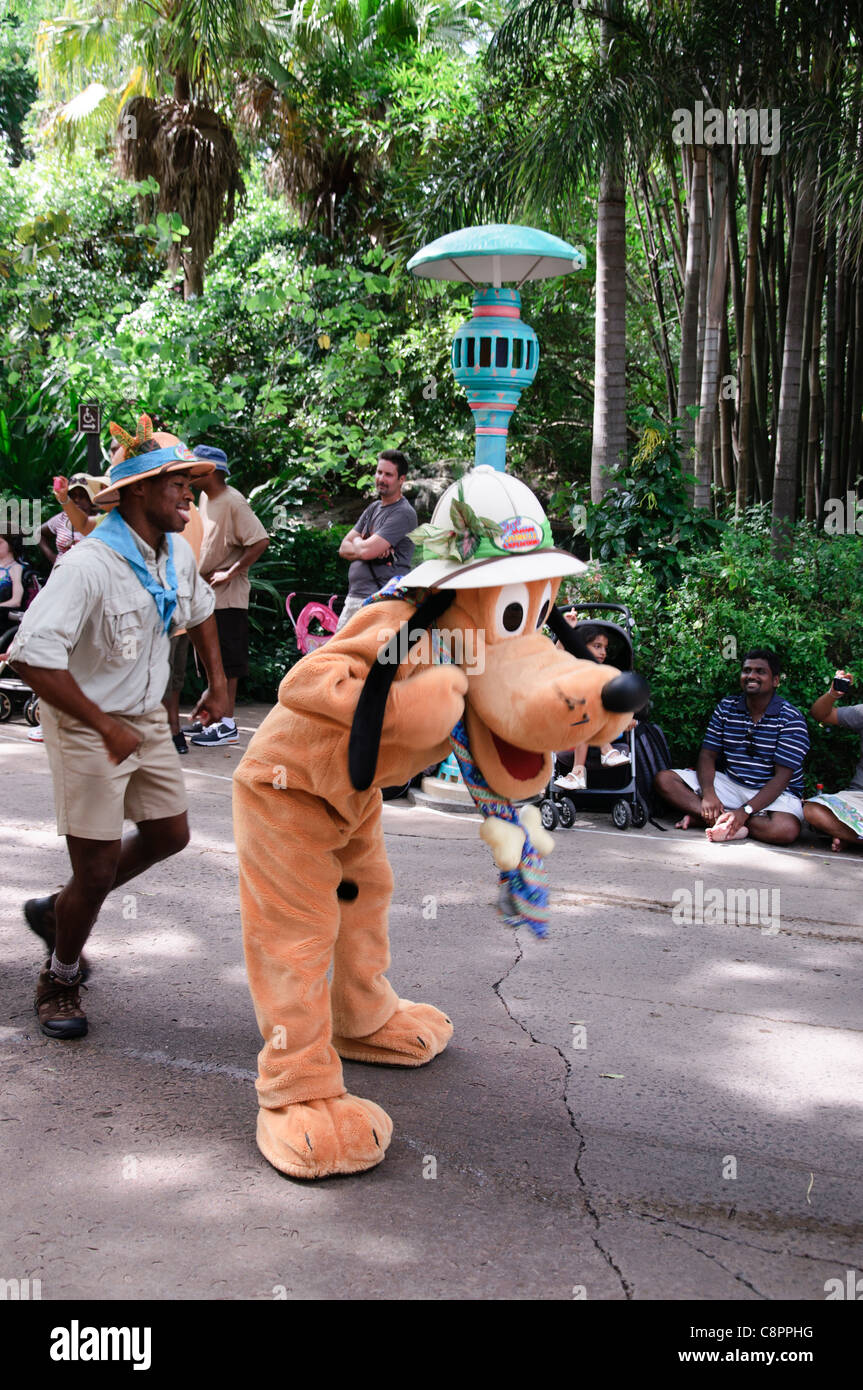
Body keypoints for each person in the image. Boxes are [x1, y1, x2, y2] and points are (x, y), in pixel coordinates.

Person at [6, 438, 228, 1041]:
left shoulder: (173, 554)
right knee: (98, 867)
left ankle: (58, 910)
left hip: (145, 715)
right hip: (87, 721)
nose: (188, 492)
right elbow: (28, 656)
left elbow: (200, 607)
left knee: (170, 834)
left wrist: (217, 682)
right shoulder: (86, 566)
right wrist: (103, 725)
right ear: (134, 493)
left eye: (189, 481)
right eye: (174, 482)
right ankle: (60, 976)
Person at [654, 649, 809, 844]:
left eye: (760, 671)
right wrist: (709, 795)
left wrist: (745, 811)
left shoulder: (791, 718)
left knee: (784, 830)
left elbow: (782, 779)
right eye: (747, 670)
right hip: (732, 784)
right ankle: (727, 820)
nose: (751, 676)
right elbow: (707, 755)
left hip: (776, 793)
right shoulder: (727, 706)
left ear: (775, 680)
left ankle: (717, 820)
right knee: (665, 780)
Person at [184, 446, 269, 747]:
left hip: (228, 596)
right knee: (210, 662)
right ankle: (213, 717)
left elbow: (259, 540)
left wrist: (230, 572)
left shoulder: (234, 501)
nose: (190, 475)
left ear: (211, 470)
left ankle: (228, 723)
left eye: (196, 469)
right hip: (206, 595)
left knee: (228, 663)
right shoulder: (205, 498)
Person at [335, 450, 417, 630]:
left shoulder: (403, 513)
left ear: (401, 479)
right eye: (379, 472)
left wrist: (362, 544)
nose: (381, 478)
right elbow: (343, 548)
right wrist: (364, 544)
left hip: (380, 601)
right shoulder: (373, 509)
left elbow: (366, 552)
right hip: (355, 599)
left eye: (388, 474)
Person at [554, 619, 633, 791]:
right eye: (597, 646)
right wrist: (565, 628)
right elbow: (556, 657)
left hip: (607, 729)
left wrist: (629, 716)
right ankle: (606, 751)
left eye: (605, 648)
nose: (603, 652)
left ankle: (578, 772)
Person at [803, 669, 863, 851]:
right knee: (812, 810)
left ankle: (849, 836)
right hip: (858, 799)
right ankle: (853, 836)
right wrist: (832, 694)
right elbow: (820, 714)